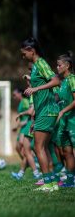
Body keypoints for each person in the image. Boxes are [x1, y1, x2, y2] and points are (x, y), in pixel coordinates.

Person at [22, 37, 60, 192]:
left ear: (32, 51)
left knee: (38, 148)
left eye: (24, 54)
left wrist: (35, 89)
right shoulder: (36, 66)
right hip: (43, 112)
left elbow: (56, 80)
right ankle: (51, 182)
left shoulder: (41, 63)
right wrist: (34, 118)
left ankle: (49, 184)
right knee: (41, 148)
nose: (23, 57)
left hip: (48, 111)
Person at [55, 51, 75, 187]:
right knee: (66, 152)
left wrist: (63, 111)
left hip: (73, 120)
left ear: (67, 66)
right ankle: (69, 180)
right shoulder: (62, 82)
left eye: (59, 65)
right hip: (64, 122)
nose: (57, 67)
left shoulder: (72, 79)